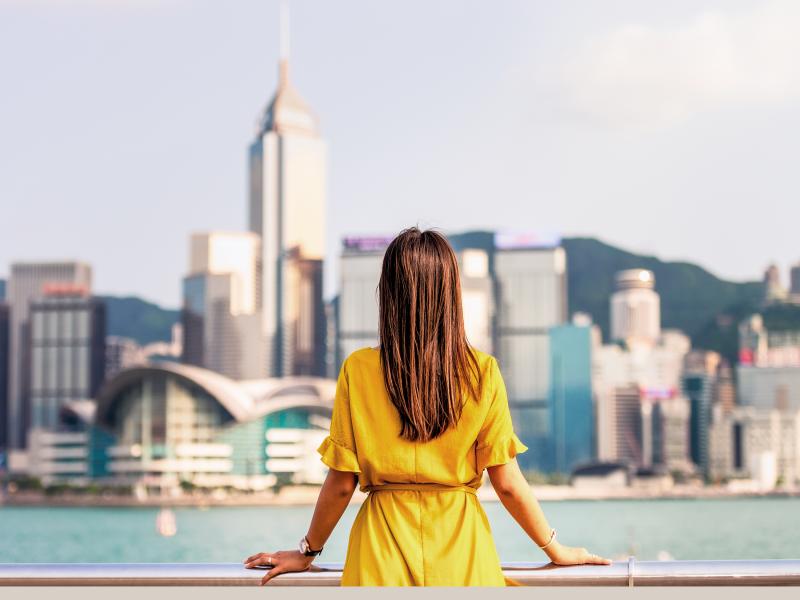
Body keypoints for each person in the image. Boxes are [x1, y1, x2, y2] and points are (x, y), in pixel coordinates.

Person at [244, 226, 611, 586]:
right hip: (462, 551)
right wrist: (555, 549)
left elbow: (342, 484)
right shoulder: (482, 372)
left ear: (388, 294)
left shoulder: (358, 369)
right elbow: (509, 484)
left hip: (380, 552)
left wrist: (307, 551)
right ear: (452, 294)